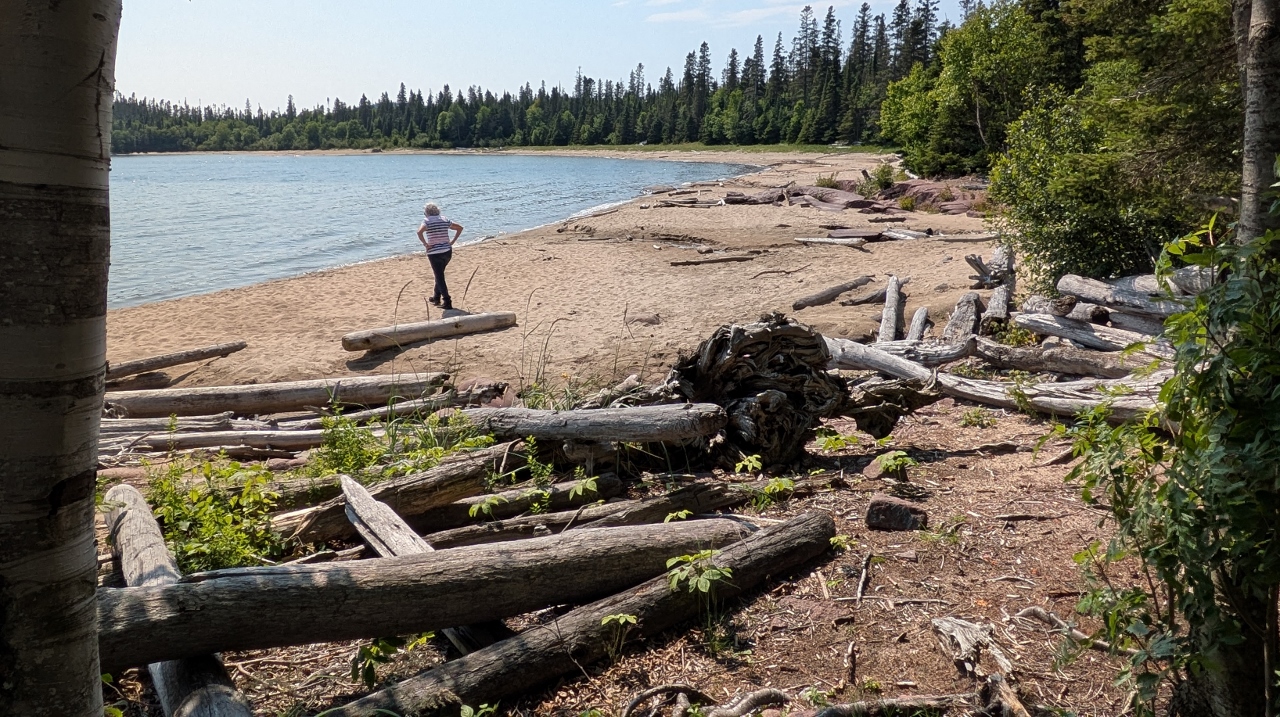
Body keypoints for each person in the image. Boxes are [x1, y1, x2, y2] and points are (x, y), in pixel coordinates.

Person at [416, 202, 463, 310]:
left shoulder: (426, 221)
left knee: (439, 276)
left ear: (426, 213)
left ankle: (447, 300)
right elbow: (460, 228)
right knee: (439, 274)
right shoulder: (444, 219)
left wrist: (425, 244)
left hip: (434, 252)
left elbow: (419, 232)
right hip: (447, 251)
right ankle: (436, 297)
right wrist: (452, 241)